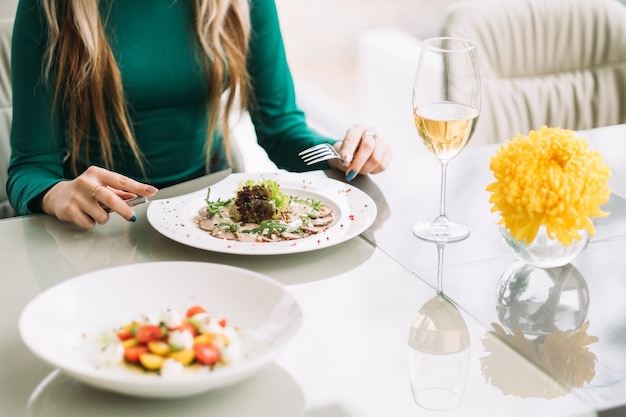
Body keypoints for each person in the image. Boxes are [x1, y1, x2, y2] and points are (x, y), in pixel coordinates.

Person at [7, 0, 391, 229]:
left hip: (214, 217)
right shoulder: (51, 7)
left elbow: (281, 130)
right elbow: (29, 168)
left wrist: (340, 153)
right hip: (102, 225)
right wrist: (56, 194)